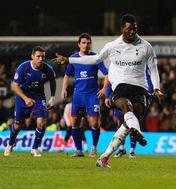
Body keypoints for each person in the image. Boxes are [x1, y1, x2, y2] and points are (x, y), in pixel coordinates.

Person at [53, 14, 163, 168]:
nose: (132, 32)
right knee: (126, 108)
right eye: (129, 29)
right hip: (121, 85)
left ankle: (103, 158)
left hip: (140, 87)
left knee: (129, 120)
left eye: (135, 29)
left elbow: (153, 69)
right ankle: (137, 131)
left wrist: (156, 87)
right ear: (122, 29)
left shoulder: (146, 47)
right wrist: (69, 59)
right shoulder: (112, 46)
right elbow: (95, 59)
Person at [61, 33, 109, 157]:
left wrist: (104, 89)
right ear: (79, 44)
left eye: (88, 43)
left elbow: (107, 74)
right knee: (75, 123)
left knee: (94, 122)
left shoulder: (96, 58)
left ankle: (93, 148)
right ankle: (79, 150)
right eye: (83, 43)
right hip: (78, 96)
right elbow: (67, 74)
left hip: (92, 95)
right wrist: (64, 89)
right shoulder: (73, 58)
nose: (86, 45)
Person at [4, 46, 56, 157]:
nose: (41, 59)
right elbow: (14, 86)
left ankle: (34, 149)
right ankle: (10, 145)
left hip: (39, 97)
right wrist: (26, 99)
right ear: (32, 57)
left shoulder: (48, 69)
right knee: (18, 125)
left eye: (43, 56)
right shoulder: (24, 68)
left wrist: (52, 97)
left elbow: (52, 81)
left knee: (42, 123)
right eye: (38, 56)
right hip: (23, 98)